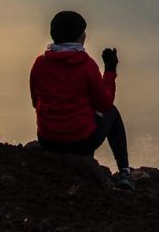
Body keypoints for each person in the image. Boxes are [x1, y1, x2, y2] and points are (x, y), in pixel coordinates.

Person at [30, 11, 133, 189]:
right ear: (79, 37)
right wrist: (110, 70)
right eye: (83, 33)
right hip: (79, 141)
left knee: (88, 113)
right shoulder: (86, 65)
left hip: (47, 139)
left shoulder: (40, 64)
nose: (85, 35)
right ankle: (125, 172)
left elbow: (35, 101)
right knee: (112, 113)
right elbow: (105, 103)